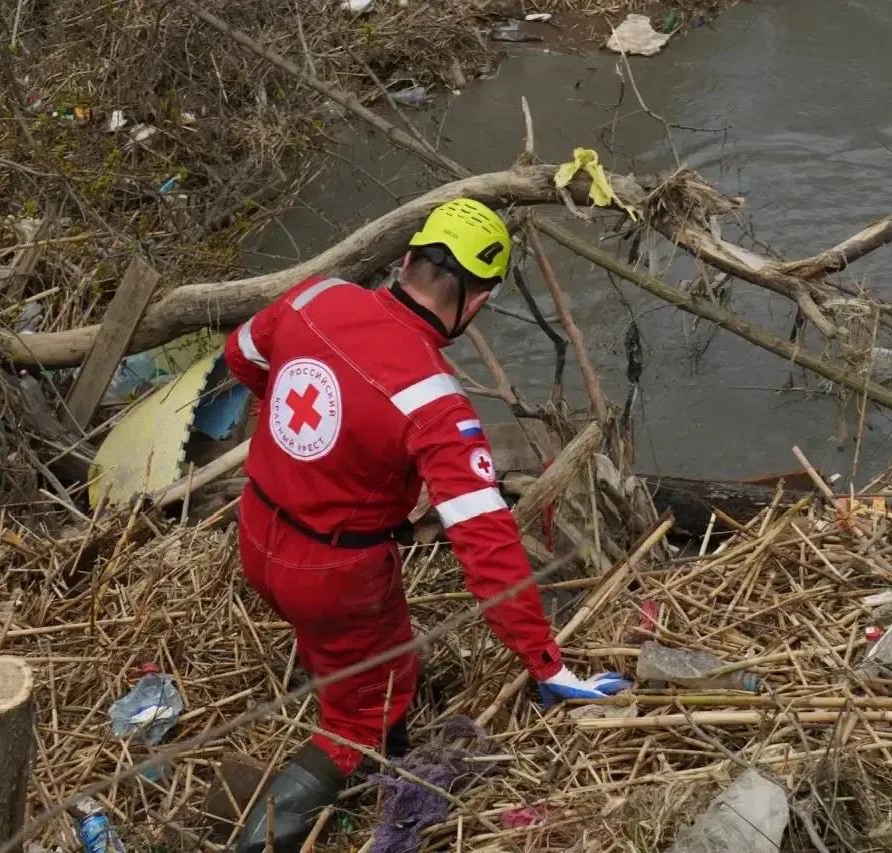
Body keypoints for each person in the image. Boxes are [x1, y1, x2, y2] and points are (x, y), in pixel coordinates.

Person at [224, 198, 630, 851]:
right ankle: (268, 834)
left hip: (255, 532)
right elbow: (485, 540)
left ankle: (360, 724)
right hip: (334, 576)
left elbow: (242, 354)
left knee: (356, 652)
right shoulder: (435, 400)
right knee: (363, 713)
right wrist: (545, 660)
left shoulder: (316, 296)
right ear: (477, 302)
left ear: (408, 257)